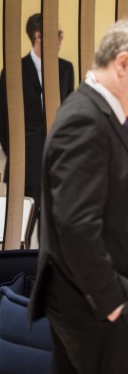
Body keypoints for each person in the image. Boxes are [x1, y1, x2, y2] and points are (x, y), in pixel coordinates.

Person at [27, 19, 128, 374]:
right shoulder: (85, 119)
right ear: (124, 63)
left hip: (97, 305)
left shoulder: (111, 117)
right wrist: (113, 304)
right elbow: (75, 225)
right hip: (95, 308)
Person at [0, 13, 75, 239]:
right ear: (38, 36)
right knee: (19, 231)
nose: (62, 37)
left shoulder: (66, 69)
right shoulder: (14, 70)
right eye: (57, 33)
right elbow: (4, 120)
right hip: (25, 165)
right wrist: (19, 155)